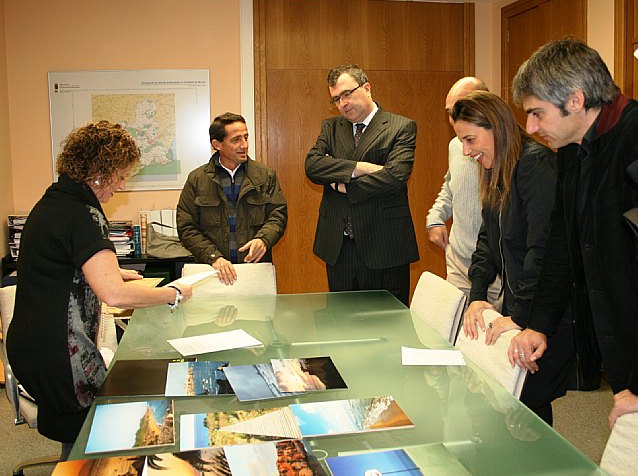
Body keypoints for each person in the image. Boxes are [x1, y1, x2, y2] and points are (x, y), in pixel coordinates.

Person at [6, 121, 193, 459]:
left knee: (80, 438)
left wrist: (111, 269)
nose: (121, 186)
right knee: (97, 438)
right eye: (120, 176)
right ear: (98, 172)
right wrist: (173, 292)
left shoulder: (53, 202)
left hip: (34, 346)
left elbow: (60, 263)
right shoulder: (82, 213)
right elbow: (115, 296)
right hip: (60, 354)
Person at [509, 37, 638, 427]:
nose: (531, 128)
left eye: (537, 114)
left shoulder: (635, 139)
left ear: (576, 100)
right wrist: (539, 325)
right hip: (618, 340)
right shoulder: (570, 151)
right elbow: (560, 248)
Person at [454, 91, 573, 425]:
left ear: (495, 127)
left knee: (526, 406)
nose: (466, 151)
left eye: (470, 139)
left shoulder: (535, 164)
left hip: (546, 314)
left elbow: (543, 249)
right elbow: (487, 241)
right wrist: (477, 297)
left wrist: (519, 316)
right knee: (514, 406)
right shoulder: (498, 170)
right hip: (521, 306)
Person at [305, 64, 419, 306]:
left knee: (389, 325)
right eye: (336, 99)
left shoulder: (401, 127)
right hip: (339, 248)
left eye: (347, 94)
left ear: (367, 88)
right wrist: (361, 168)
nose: (342, 104)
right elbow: (313, 166)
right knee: (341, 327)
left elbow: (395, 177)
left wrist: (339, 184)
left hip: (384, 245)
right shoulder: (332, 127)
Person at [177, 112, 287, 285]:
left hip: (255, 270)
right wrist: (213, 257)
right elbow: (186, 227)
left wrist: (263, 239)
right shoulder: (197, 179)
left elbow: (278, 216)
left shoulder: (265, 176)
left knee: (259, 313)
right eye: (236, 140)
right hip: (212, 271)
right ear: (217, 144)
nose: (244, 145)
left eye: (246, 137)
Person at [426, 77, 501, 307]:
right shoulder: (455, 146)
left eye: (463, 108)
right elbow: (450, 186)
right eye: (451, 112)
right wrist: (435, 218)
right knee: (455, 335)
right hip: (458, 262)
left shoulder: (502, 151)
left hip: (495, 269)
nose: (456, 118)